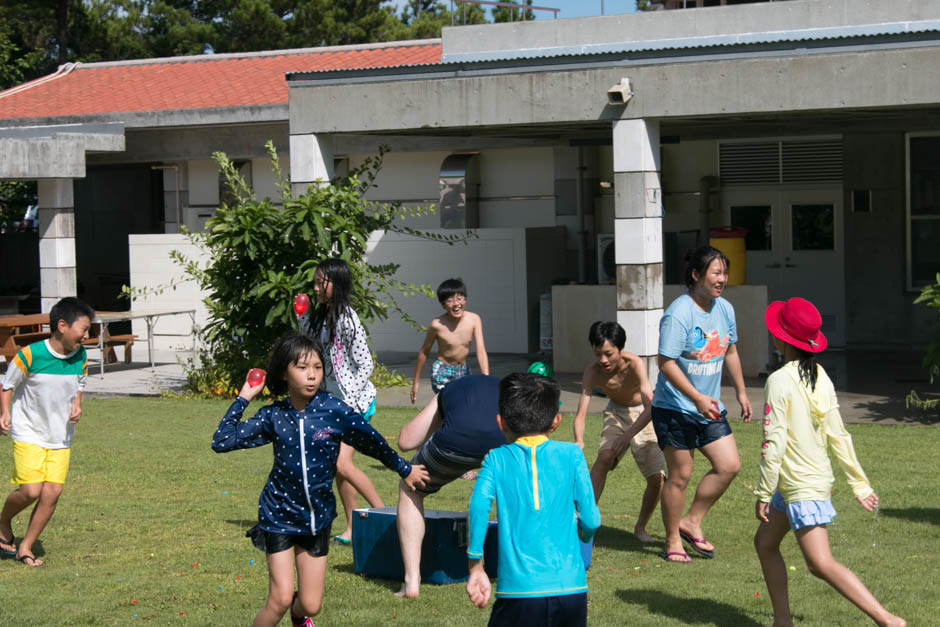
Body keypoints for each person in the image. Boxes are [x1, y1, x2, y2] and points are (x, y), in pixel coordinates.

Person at [212, 332, 428, 627]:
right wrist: (243, 397)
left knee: (311, 605)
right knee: (279, 598)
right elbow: (222, 441)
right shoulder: (273, 415)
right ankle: (285, 608)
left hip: (317, 519)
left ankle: (298, 617)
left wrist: (405, 469)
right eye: (302, 368)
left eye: (316, 367)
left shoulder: (335, 411)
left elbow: (373, 442)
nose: (311, 375)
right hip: (278, 517)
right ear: (284, 373)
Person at [753, 298, 906, 627]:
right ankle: (783, 621)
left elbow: (773, 442)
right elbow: (840, 434)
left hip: (799, 485)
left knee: (819, 564)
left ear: (780, 339)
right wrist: (858, 483)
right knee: (765, 543)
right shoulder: (820, 375)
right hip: (804, 480)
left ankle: (888, 620)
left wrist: (763, 492)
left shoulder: (778, 380)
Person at [466, 373, 600, 626]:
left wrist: (476, 565)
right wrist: (585, 534)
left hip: (519, 592)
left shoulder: (496, 459)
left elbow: (478, 505)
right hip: (571, 591)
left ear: (501, 422)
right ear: (556, 421)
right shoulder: (572, 454)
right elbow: (591, 519)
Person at [652, 245, 753, 564]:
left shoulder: (724, 309)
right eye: (716, 273)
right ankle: (672, 541)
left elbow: (731, 351)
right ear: (696, 275)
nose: (722, 279)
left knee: (729, 466)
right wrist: (695, 397)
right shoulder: (679, 313)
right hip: (675, 407)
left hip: (708, 407)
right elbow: (665, 362)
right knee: (680, 474)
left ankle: (691, 520)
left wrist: (741, 392)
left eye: (725, 273)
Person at [0, 297, 94, 567]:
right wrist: (5, 414)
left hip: (60, 436)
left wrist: (77, 405)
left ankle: (26, 547)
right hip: (29, 431)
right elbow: (7, 385)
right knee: (30, 492)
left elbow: (79, 384)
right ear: (62, 325)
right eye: (84, 329)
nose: (87, 336)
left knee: (52, 493)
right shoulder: (30, 354)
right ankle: (3, 521)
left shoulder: (81, 356)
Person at [394, 374, 507, 598]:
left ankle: (412, 581)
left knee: (410, 488)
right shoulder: (504, 387)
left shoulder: (448, 390)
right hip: (502, 444)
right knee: (513, 495)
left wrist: (440, 418)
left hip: (455, 443)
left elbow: (406, 442)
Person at [297, 258, 381, 544]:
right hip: (333, 402)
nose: (316, 287)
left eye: (322, 282)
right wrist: (303, 315)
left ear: (338, 283)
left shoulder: (348, 318)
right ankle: (352, 526)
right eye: (315, 281)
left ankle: (386, 515)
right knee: (338, 468)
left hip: (355, 403)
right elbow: (308, 344)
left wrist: (350, 403)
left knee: (343, 465)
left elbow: (365, 364)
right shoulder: (323, 316)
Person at [572, 321, 665, 543]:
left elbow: (650, 407)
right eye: (598, 354)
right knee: (604, 457)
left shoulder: (635, 364)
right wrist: (579, 440)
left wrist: (627, 436)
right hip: (615, 412)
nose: (603, 360)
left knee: (658, 478)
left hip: (642, 415)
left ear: (620, 349)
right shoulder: (592, 371)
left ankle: (640, 528)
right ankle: (585, 522)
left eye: (608, 354)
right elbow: (581, 411)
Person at [410, 278, 489, 403]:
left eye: (459, 299)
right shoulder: (436, 325)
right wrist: (416, 382)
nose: (456, 304)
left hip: (463, 370)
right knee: (448, 405)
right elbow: (424, 352)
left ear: (465, 300)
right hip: (442, 371)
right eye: (450, 301)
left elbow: (481, 351)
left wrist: (486, 379)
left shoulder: (474, 320)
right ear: (443, 305)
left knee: (464, 405)